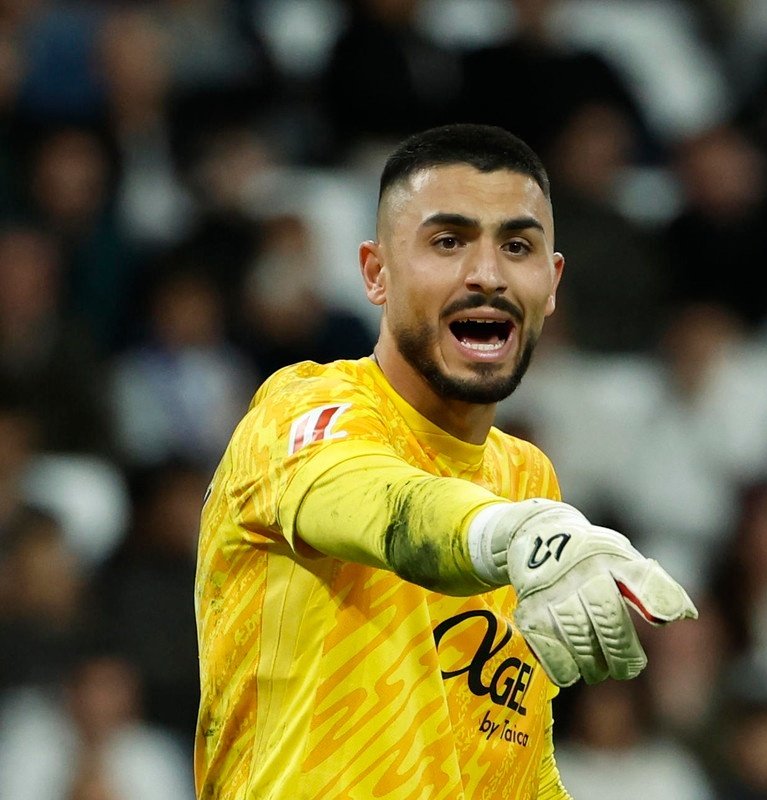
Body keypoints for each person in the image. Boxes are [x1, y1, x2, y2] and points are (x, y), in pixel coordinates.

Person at [193, 124, 697, 799]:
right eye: (448, 242)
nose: (487, 274)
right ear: (376, 272)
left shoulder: (527, 480)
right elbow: (387, 509)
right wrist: (509, 533)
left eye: (516, 246)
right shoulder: (301, 415)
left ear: (551, 284)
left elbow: (513, 766)